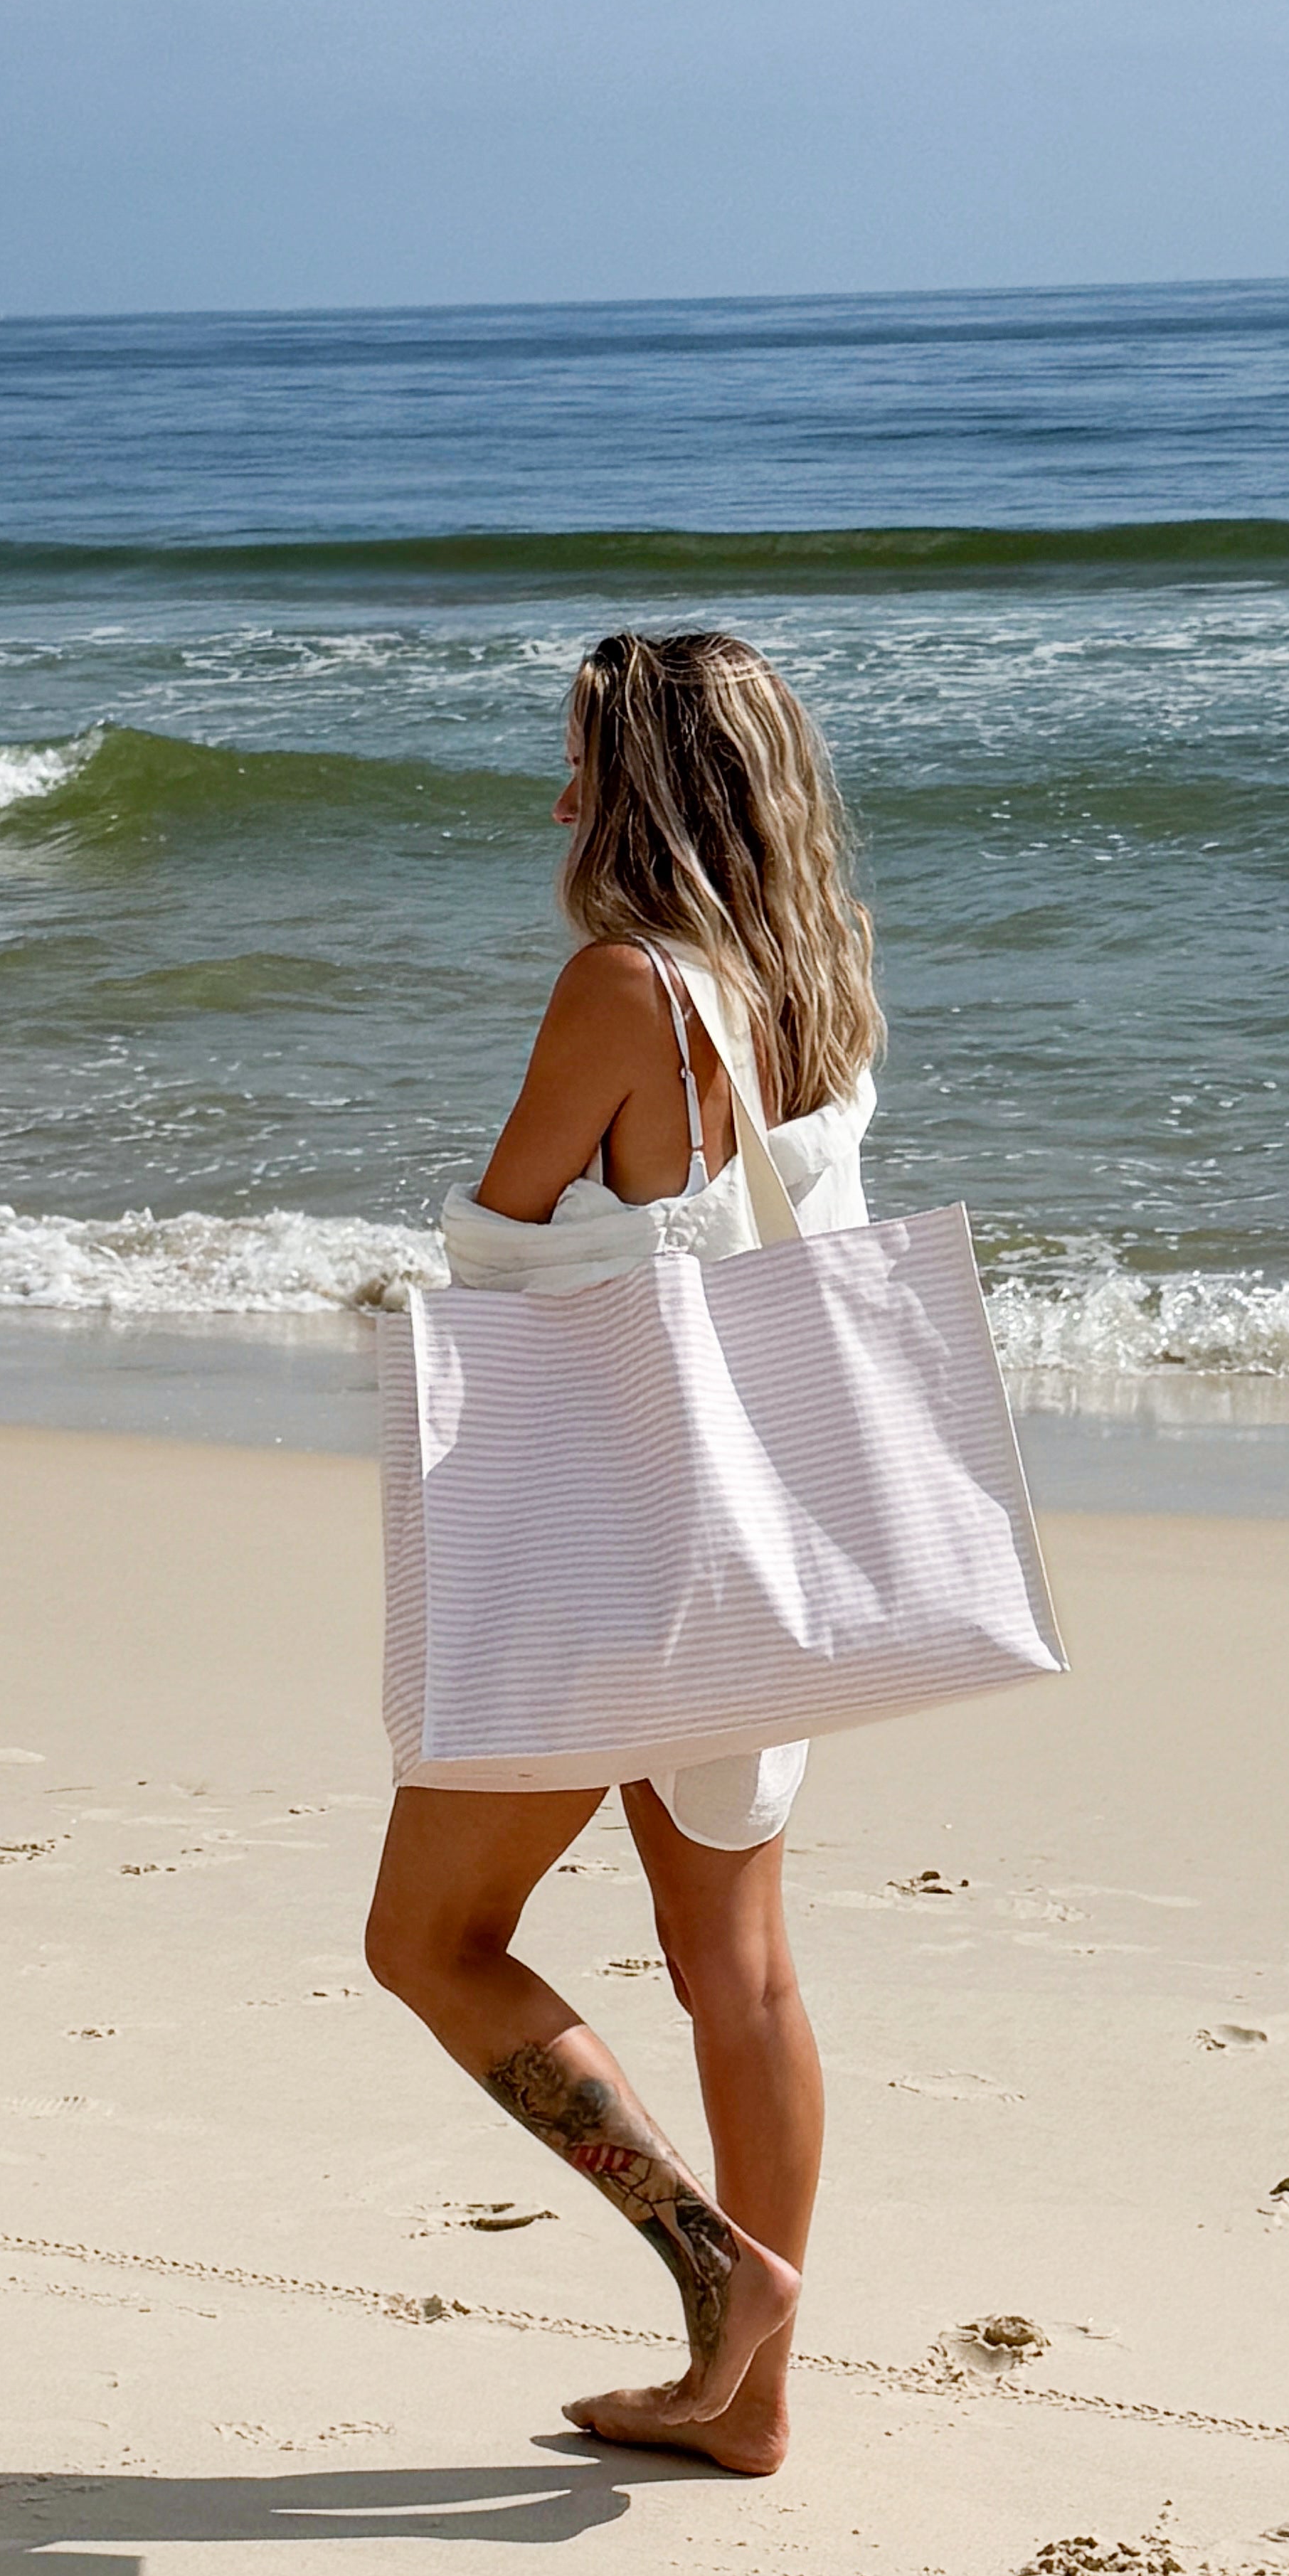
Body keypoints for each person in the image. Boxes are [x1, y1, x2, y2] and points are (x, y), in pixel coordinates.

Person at [361, 629, 884, 2476]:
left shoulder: (626, 986)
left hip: (613, 1549)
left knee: (428, 1938)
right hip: (767, 1541)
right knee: (737, 1966)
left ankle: (703, 2262)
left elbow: (507, 1235)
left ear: (649, 783)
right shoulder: (816, 983)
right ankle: (754, 2410)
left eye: (582, 757)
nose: (559, 790)